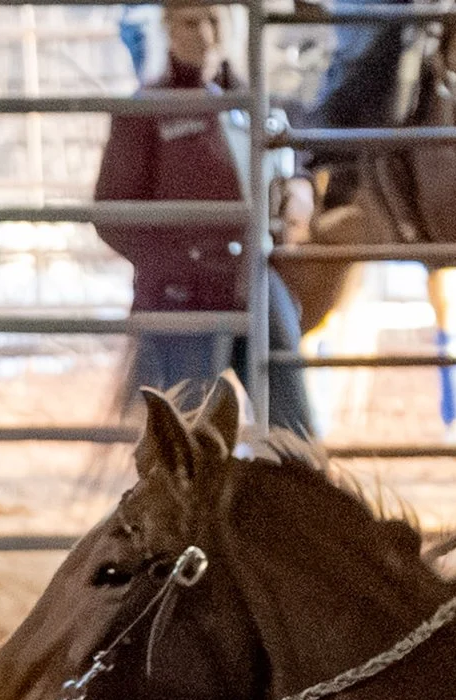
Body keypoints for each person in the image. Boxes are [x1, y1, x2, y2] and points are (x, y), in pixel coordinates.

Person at [95, 0, 314, 435]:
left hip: (256, 278)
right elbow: (112, 214)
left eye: (214, 19)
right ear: (168, 29)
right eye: (190, 22)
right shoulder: (146, 110)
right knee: (190, 434)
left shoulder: (258, 102)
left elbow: (293, 164)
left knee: (295, 431)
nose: (205, 34)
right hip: (183, 295)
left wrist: (301, 190)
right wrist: (177, 265)